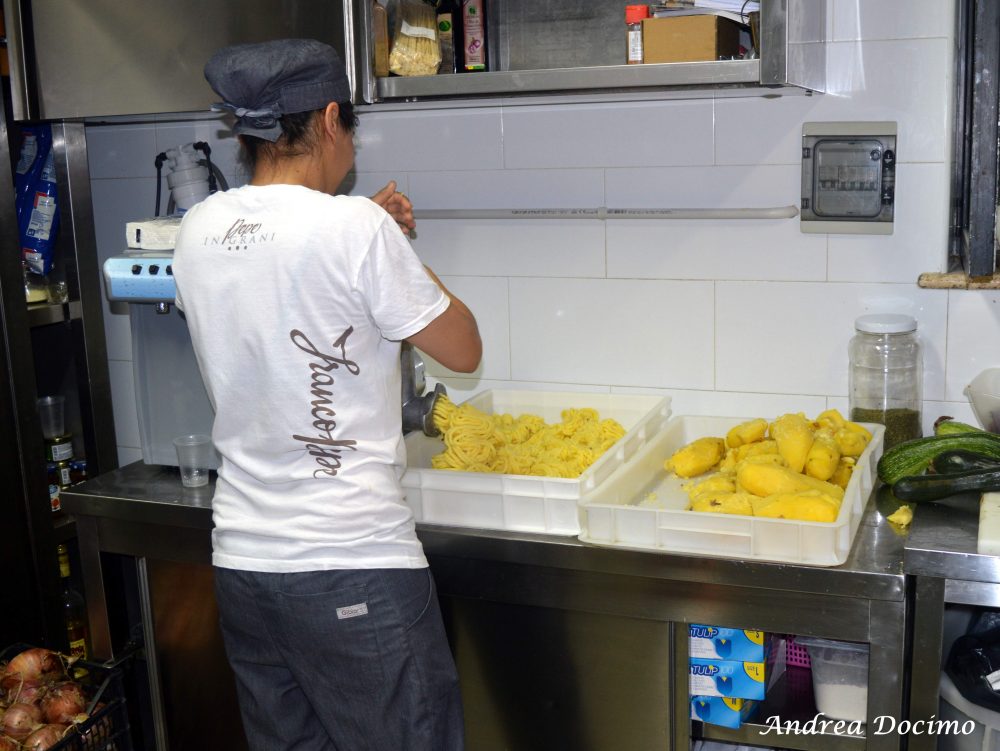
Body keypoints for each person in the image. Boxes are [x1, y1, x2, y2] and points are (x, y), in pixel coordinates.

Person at [171, 38, 481, 751]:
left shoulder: (198, 229)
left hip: (246, 568)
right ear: (332, 119)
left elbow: (277, 302)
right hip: (353, 569)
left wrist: (365, 243)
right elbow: (464, 347)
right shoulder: (355, 229)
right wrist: (396, 254)